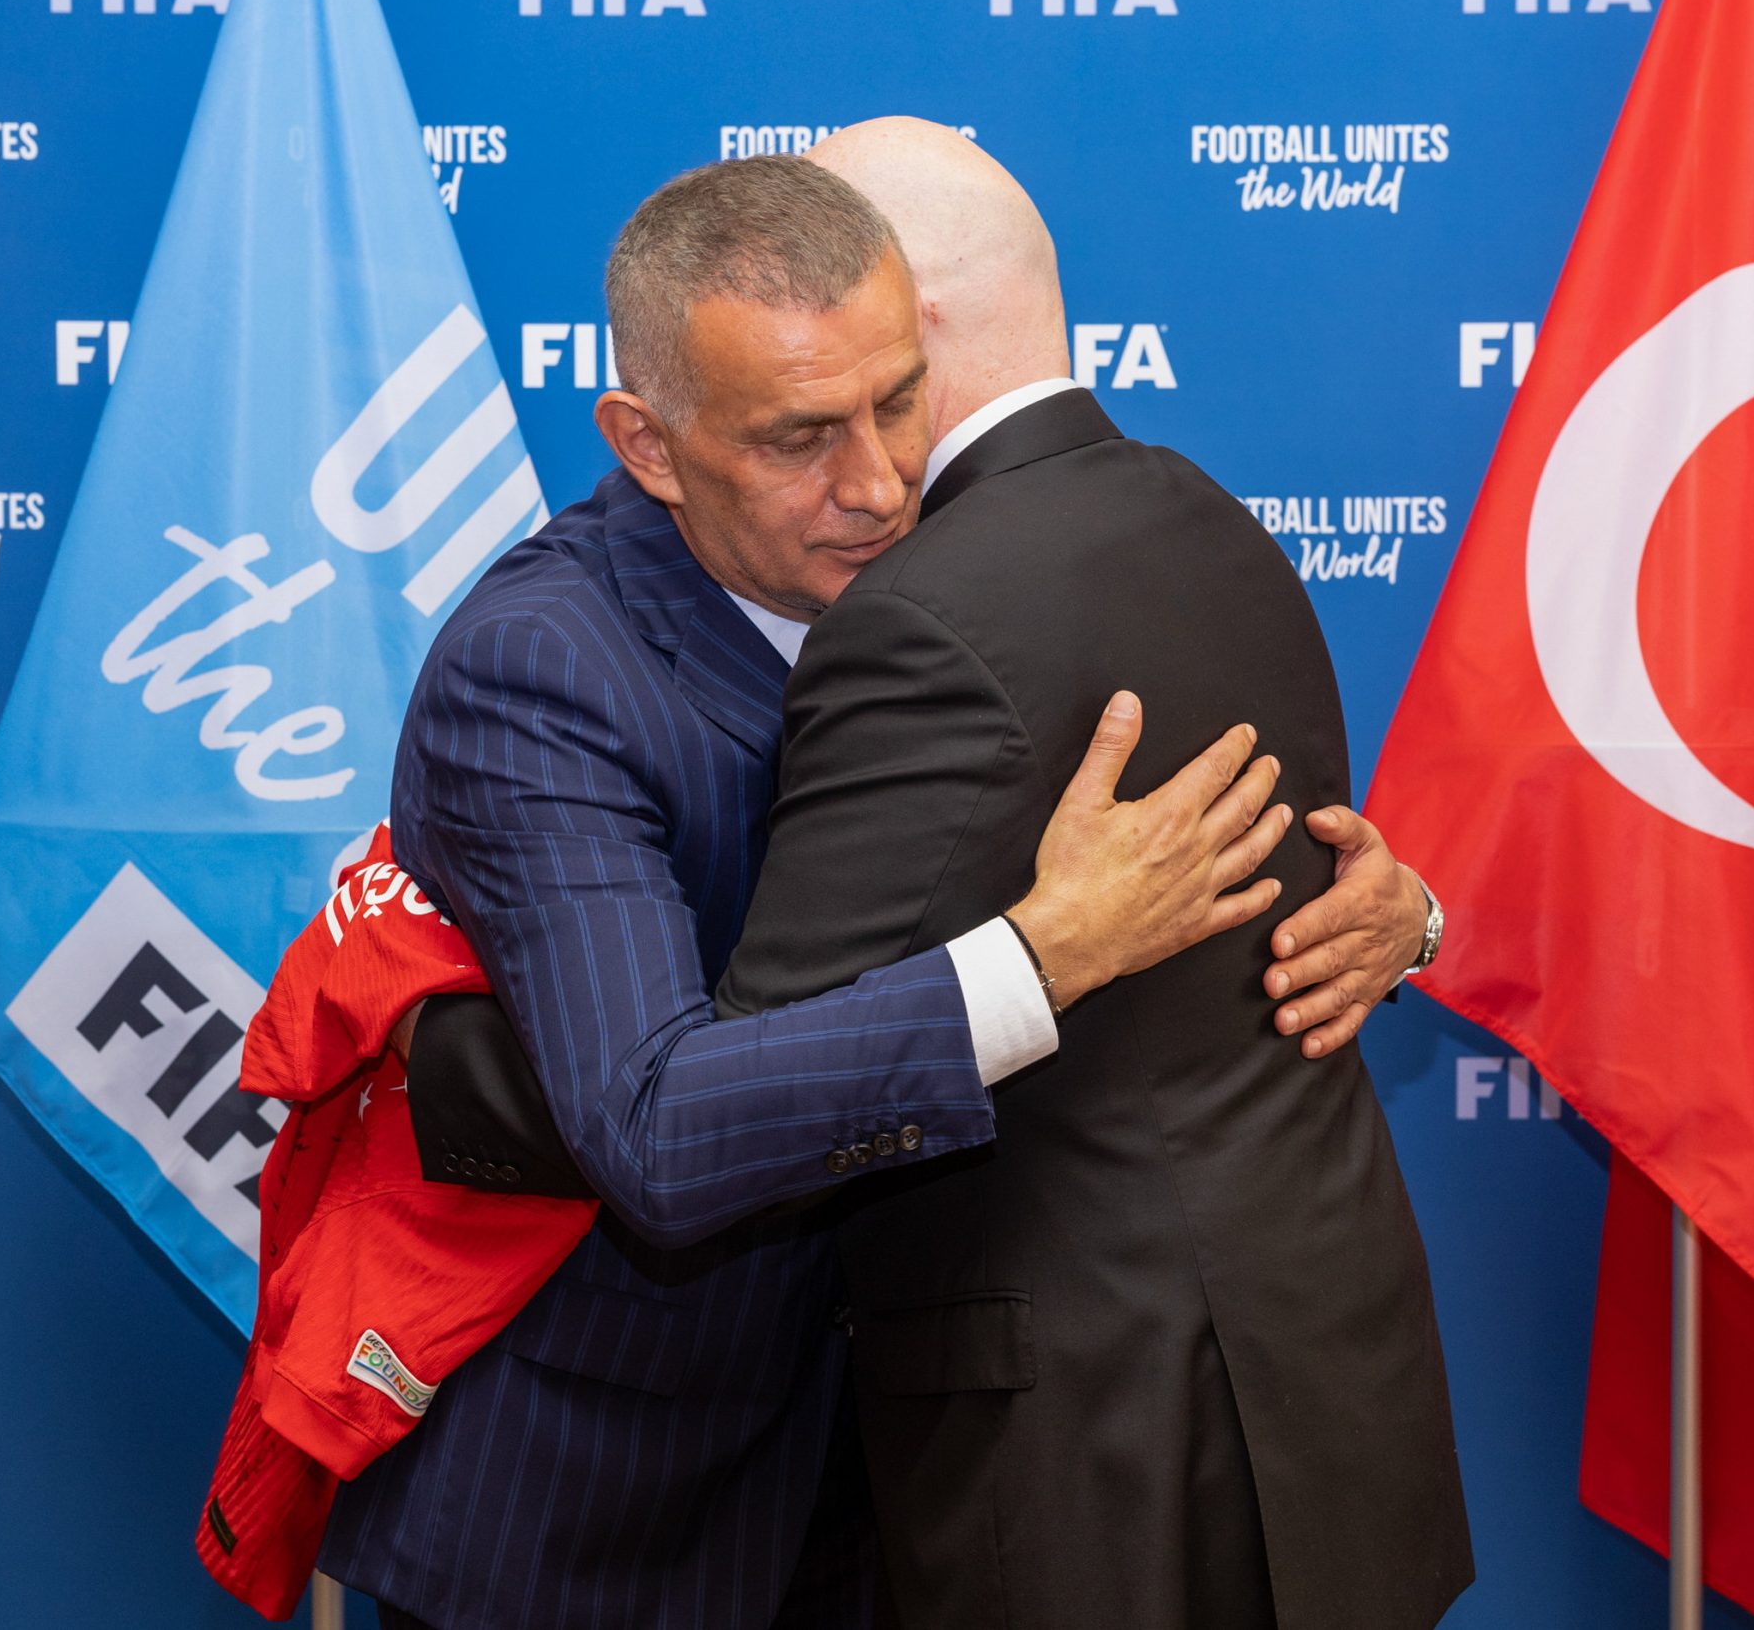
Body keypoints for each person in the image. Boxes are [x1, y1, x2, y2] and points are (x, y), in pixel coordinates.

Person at [321, 149, 1439, 1629]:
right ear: (648, 444)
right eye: (798, 438)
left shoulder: (997, 565)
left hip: (903, 1490)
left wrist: (1393, 916)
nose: (878, 481)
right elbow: (656, 1125)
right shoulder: (542, 670)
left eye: (898, 399)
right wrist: (1043, 955)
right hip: (608, 1519)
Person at [713, 119, 1473, 1628]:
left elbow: (763, 1095)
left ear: (903, 319)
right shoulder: (1213, 518)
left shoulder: (922, 615)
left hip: (1100, 1459)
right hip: (1315, 1392)